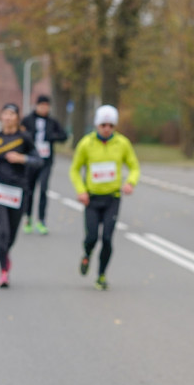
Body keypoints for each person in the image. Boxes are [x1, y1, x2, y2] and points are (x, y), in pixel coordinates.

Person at [69, 104, 140, 290]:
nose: (107, 129)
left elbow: (134, 166)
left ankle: (101, 275)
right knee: (92, 237)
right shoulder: (86, 144)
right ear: (97, 125)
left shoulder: (122, 144)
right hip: (91, 199)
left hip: (112, 198)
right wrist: (81, 190)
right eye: (103, 125)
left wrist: (130, 182)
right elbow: (75, 169)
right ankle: (87, 254)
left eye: (111, 125)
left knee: (107, 238)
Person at [0, 103, 42, 288]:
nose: (8, 117)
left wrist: (22, 158)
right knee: (3, 232)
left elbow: (38, 160)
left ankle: (5, 255)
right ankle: (3, 272)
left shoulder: (24, 138)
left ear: (17, 117)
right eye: (5, 114)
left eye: (11, 114)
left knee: (12, 236)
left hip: (18, 190)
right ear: (0, 117)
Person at [20, 94, 69, 235]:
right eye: (41, 106)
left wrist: (52, 137)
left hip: (46, 161)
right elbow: (20, 135)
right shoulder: (28, 120)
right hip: (30, 161)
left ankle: (41, 220)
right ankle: (27, 218)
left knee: (43, 190)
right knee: (29, 190)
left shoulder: (52, 122)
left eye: (46, 106)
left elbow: (64, 135)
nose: (44, 108)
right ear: (37, 106)